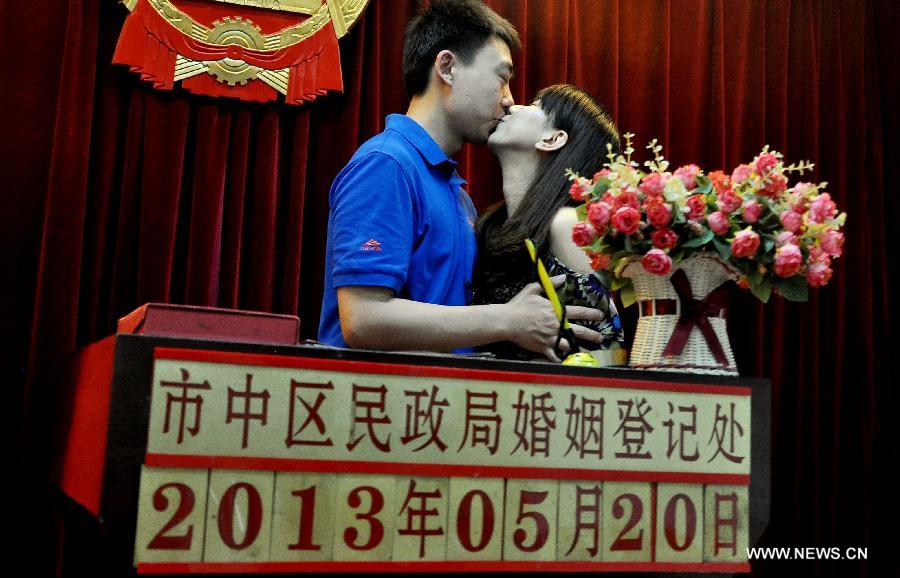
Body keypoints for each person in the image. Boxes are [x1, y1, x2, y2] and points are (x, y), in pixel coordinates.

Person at [317, 0, 606, 362]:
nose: (509, 100)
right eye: (502, 77)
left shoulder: (453, 190)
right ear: (448, 67)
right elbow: (363, 319)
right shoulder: (387, 164)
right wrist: (506, 319)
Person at [473, 83, 625, 359]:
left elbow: (601, 345)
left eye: (534, 104)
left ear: (553, 139)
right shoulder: (491, 224)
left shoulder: (565, 224)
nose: (511, 105)